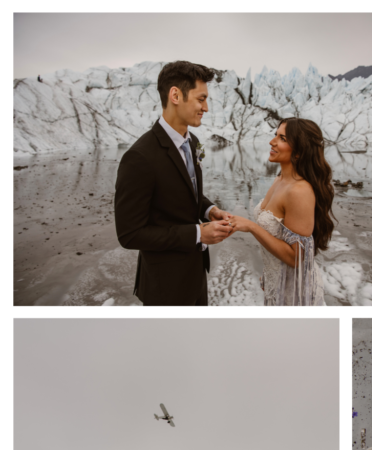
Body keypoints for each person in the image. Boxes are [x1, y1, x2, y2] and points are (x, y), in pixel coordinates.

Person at [114, 61, 235, 305]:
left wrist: (209, 210)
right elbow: (129, 235)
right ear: (176, 95)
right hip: (164, 287)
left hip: (196, 276)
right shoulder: (139, 157)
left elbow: (186, 193)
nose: (206, 107)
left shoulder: (193, 143)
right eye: (201, 99)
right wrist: (198, 233)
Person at [226, 119, 335, 305]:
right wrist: (268, 274)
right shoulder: (280, 179)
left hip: (295, 292)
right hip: (277, 283)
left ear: (300, 151)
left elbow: (297, 258)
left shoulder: (299, 191)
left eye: (282, 138)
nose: (272, 142)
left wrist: (251, 227)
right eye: (275, 135)